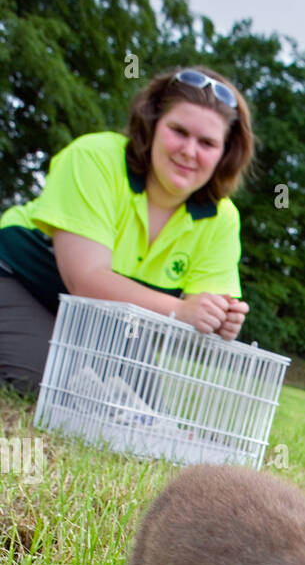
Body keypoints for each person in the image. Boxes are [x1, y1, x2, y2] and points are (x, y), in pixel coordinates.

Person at [0, 66, 254, 392]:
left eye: (206, 143)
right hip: (18, 280)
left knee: (136, 405)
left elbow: (198, 316)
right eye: (178, 131)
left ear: (225, 154)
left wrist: (219, 321)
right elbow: (86, 280)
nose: (189, 152)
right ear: (152, 125)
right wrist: (180, 310)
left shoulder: (223, 218)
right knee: (43, 384)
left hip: (110, 320)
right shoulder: (95, 157)